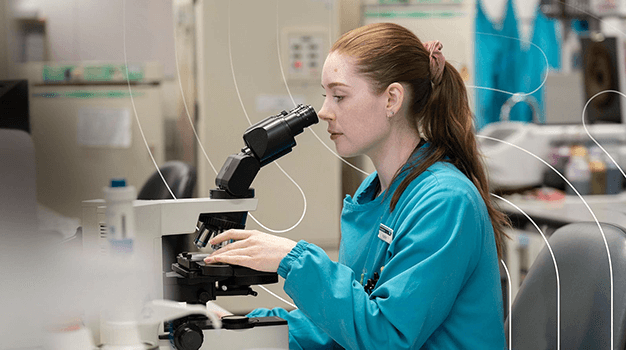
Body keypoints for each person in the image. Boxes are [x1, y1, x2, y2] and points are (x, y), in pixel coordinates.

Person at [204, 22, 508, 349]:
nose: (324, 112)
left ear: (392, 99)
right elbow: (344, 323)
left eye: (339, 96)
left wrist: (292, 259)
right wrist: (243, 330)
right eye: (325, 96)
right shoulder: (374, 193)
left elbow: (386, 336)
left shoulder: (445, 202)